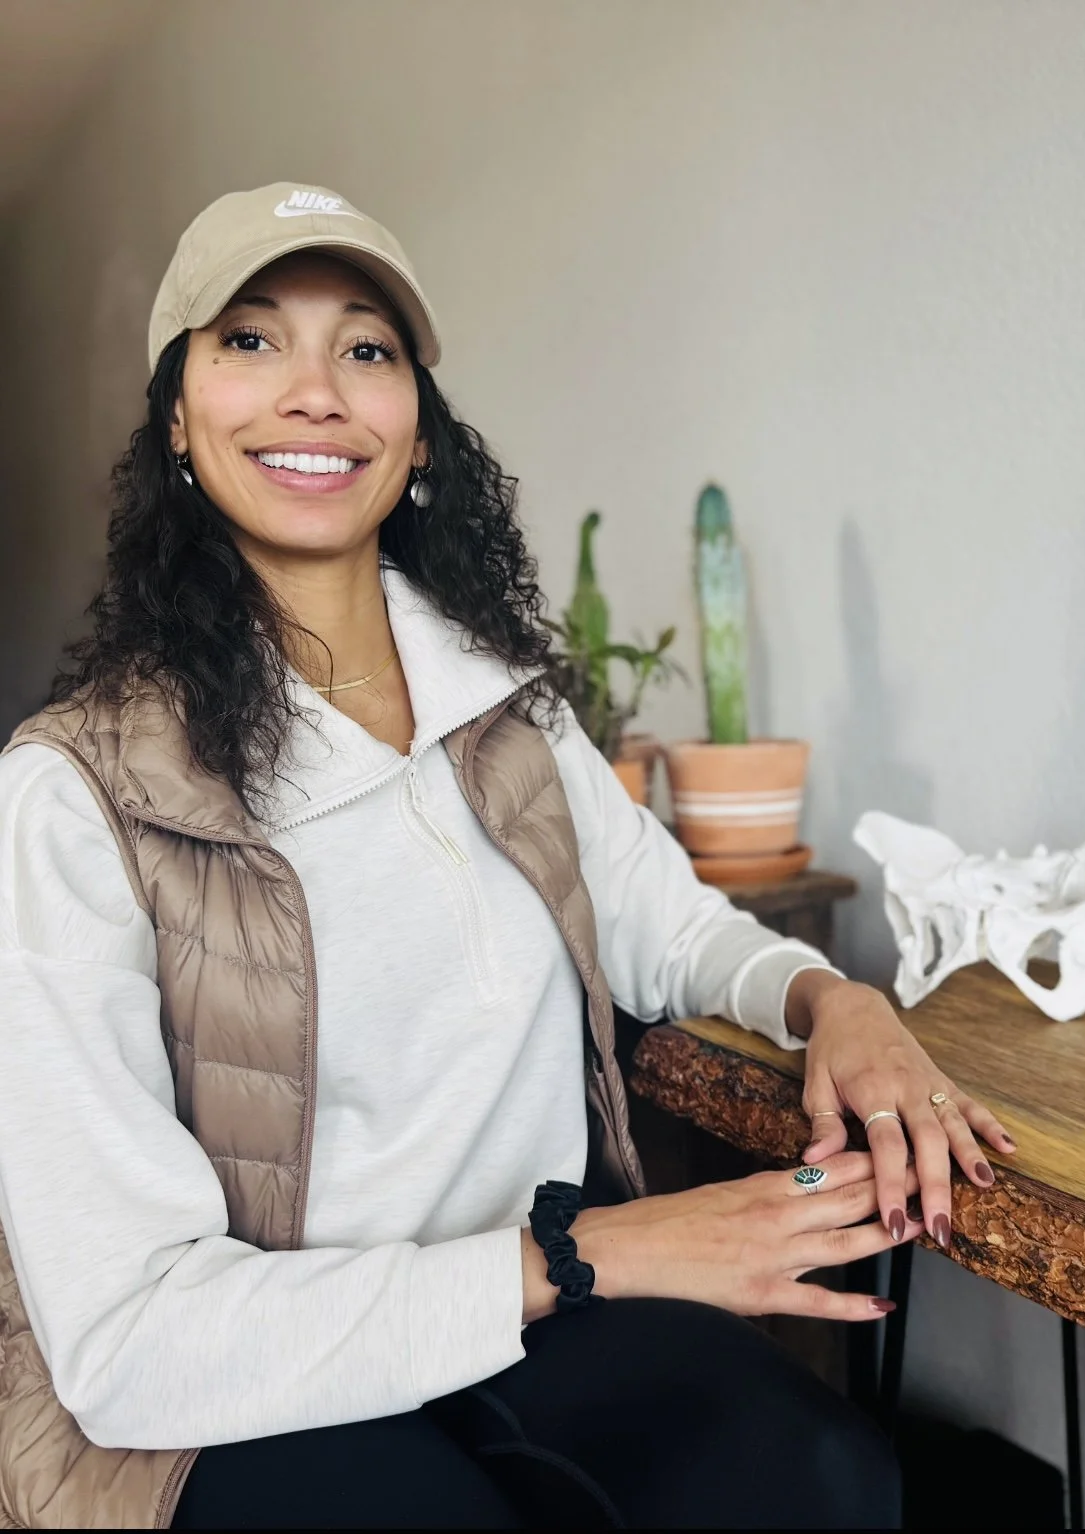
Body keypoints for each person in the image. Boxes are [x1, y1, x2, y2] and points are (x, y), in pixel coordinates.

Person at [0, 183, 1014, 1531]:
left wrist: (839, 1003)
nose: (314, 390)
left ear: (417, 431)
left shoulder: (507, 711)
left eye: (364, 348)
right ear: (177, 422)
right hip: (231, 1387)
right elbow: (128, 1343)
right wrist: (582, 1251)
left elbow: (674, 924)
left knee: (823, 1470)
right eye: (248, 341)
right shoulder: (71, 792)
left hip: (526, 1316)